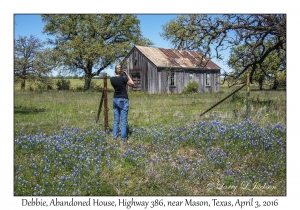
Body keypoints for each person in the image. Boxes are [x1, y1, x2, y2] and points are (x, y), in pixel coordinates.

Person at [110, 65, 134, 141]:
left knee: (116, 119)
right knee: (123, 120)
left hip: (115, 99)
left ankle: (115, 136)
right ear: (121, 71)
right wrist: (127, 74)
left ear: (115, 70)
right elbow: (132, 84)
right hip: (123, 99)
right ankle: (123, 138)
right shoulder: (123, 78)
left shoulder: (112, 79)